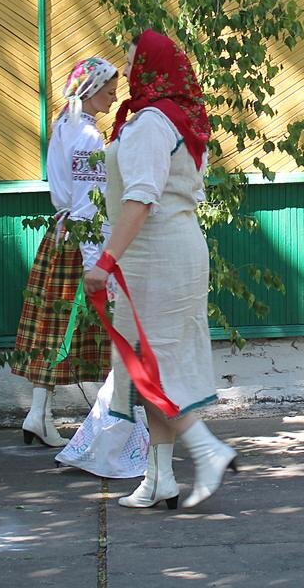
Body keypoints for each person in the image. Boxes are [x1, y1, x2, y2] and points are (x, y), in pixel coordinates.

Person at [85, 29, 237, 509]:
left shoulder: (153, 122)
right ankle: (159, 478)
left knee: (152, 366)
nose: (128, 70)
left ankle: (206, 450)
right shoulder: (177, 117)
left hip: (157, 255)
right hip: (170, 250)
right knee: (153, 363)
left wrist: (106, 260)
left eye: (134, 62)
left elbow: (141, 197)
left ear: (153, 67)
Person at [12, 58, 119, 448]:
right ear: (91, 90)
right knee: (105, 329)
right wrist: (95, 262)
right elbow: (88, 202)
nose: (115, 97)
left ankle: (38, 413)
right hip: (82, 239)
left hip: (61, 234)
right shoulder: (88, 136)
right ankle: (114, 423)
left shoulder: (65, 125)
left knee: (53, 328)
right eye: (110, 90)